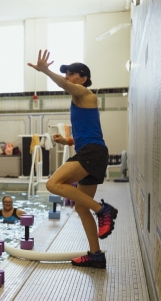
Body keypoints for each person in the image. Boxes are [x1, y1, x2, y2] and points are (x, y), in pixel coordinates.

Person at [28, 49, 118, 269]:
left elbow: (64, 85)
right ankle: (96, 255)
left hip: (92, 153)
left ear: (83, 78)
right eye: (65, 73)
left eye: (71, 73)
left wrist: (46, 70)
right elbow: (89, 130)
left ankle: (103, 210)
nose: (67, 76)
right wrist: (68, 141)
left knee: (53, 184)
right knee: (80, 207)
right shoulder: (79, 100)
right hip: (92, 151)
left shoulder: (86, 94)